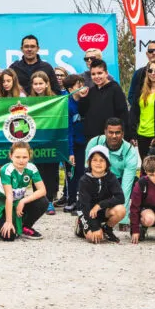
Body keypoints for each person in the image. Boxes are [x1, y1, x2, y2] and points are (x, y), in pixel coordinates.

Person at [86, 118, 140, 229]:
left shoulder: (130, 151)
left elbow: (126, 186)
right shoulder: (94, 143)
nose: (114, 136)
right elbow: (87, 171)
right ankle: (86, 215)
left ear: (123, 134)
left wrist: (123, 219)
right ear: (105, 132)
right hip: (98, 178)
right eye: (110, 132)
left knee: (135, 184)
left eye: (117, 132)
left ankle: (129, 215)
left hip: (117, 181)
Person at [0, 141, 48, 241]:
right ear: (11, 156)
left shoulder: (32, 168)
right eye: (17, 157)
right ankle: (1, 223)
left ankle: (26, 226)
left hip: (17, 202)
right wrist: (8, 222)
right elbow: (9, 196)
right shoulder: (6, 169)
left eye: (24, 157)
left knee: (43, 201)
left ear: (29, 157)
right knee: (9, 236)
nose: (21, 160)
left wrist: (23, 201)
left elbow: (42, 190)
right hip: (2, 202)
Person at [74, 145, 126, 244]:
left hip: (101, 210)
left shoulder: (111, 177)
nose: (98, 163)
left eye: (102, 160)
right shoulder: (84, 180)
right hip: (87, 212)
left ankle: (107, 228)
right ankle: (80, 225)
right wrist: (95, 228)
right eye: (94, 160)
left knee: (121, 210)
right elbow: (85, 206)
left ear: (107, 163)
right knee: (94, 238)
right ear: (89, 162)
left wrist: (99, 205)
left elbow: (121, 198)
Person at [29, 71, 62, 214]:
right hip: (34, 141)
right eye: (35, 84)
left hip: (51, 140)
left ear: (47, 83)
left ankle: (49, 200)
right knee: (36, 170)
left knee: (50, 170)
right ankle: (38, 200)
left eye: (41, 83)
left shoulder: (55, 99)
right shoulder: (27, 101)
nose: (38, 86)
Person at [77, 58, 128, 141]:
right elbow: (82, 112)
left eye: (99, 73)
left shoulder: (115, 89)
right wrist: (82, 98)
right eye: (93, 74)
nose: (96, 76)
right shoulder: (91, 91)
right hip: (92, 139)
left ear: (106, 73)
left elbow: (123, 113)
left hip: (110, 139)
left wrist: (126, 135)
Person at [61, 74, 87, 213]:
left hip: (85, 143)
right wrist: (70, 151)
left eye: (83, 84)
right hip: (72, 144)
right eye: (79, 86)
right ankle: (71, 200)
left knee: (83, 172)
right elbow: (68, 130)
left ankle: (82, 200)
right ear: (71, 89)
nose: (82, 88)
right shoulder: (67, 105)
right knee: (71, 173)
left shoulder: (87, 101)